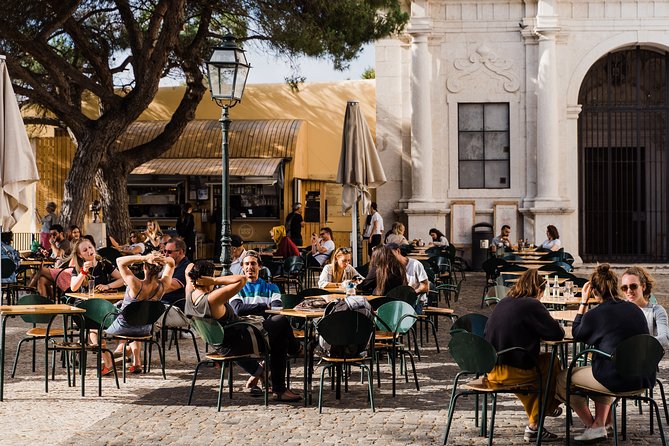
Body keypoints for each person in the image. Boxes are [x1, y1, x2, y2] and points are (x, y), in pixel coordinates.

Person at [556, 264, 652, 442]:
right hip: (642, 377)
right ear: (615, 287)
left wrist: (583, 301)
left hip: (617, 378)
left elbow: (577, 332)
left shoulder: (596, 314)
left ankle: (595, 426)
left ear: (594, 291)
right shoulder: (634, 309)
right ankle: (602, 422)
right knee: (602, 366)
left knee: (563, 377)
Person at [485, 269, 564, 443]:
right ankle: (542, 415)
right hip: (513, 371)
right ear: (539, 289)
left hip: (491, 369)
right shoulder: (532, 304)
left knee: (541, 370)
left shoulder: (504, 301)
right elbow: (557, 333)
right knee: (551, 363)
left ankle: (541, 415)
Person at [227, 251, 303, 401]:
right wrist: (263, 306)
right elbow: (238, 309)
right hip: (245, 334)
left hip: (265, 331)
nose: (250, 267)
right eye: (247, 264)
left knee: (280, 335)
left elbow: (276, 308)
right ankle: (296, 349)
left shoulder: (271, 287)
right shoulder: (236, 287)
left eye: (253, 264)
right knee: (282, 328)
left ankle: (278, 389)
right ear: (242, 267)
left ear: (260, 266)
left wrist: (259, 308)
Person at [102, 252, 175, 375]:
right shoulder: (163, 285)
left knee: (92, 330)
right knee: (139, 316)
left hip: (123, 328)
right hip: (145, 329)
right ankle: (136, 362)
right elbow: (172, 264)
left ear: (144, 267)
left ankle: (108, 362)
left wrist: (144, 258)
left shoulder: (136, 284)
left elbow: (119, 261)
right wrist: (164, 259)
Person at [622, 266, 669, 351]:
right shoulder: (619, 308)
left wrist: (639, 344)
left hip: (645, 360)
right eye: (624, 287)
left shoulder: (656, 310)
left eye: (633, 286)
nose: (629, 291)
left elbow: (665, 339)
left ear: (643, 286)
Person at [387, 243, 430, 307]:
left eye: (390, 255)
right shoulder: (392, 267)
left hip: (417, 301)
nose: (389, 258)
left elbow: (425, 286)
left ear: (398, 251)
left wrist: (411, 294)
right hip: (400, 302)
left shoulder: (415, 264)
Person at [161, 237, 191, 310]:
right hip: (163, 303)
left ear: (180, 252)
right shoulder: (170, 264)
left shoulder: (186, 266)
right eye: (165, 251)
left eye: (169, 252)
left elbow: (168, 287)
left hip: (173, 306)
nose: (166, 254)